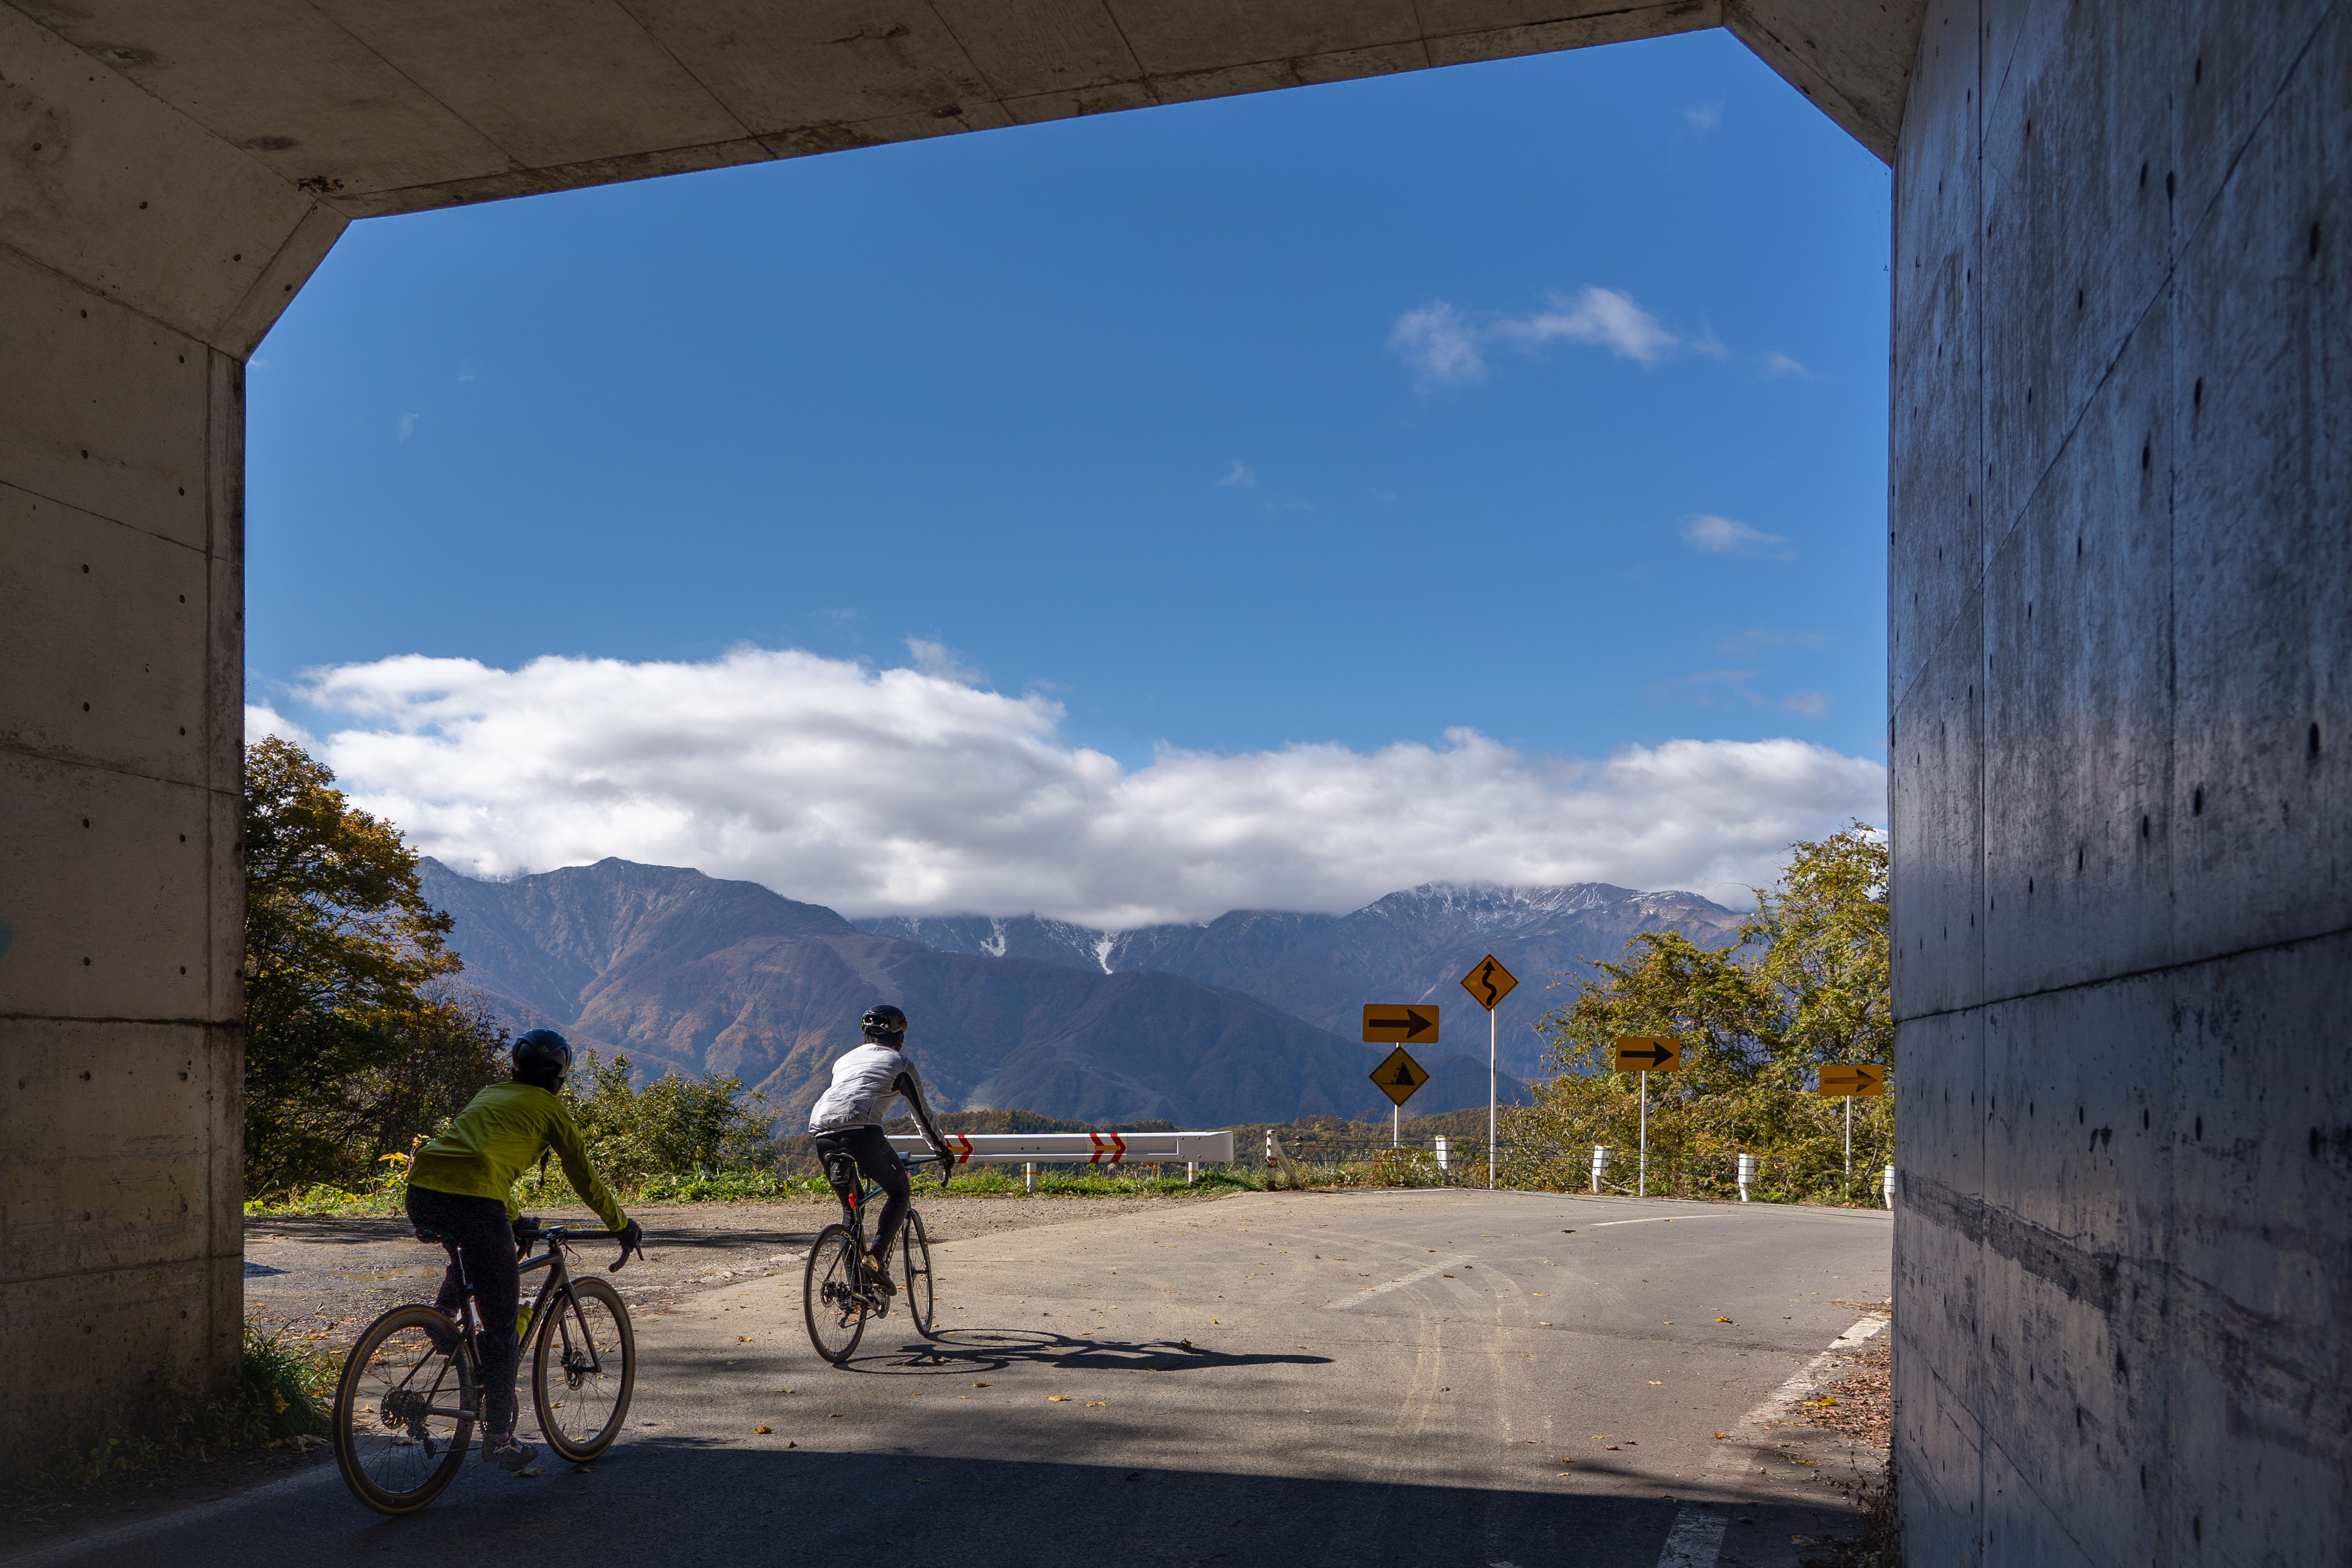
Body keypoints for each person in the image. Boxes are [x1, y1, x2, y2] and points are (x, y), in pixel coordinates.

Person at [404, 1028, 642, 1474]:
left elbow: (481, 1158)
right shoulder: (552, 1112)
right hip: (477, 1199)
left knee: (478, 1254)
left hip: (422, 1189)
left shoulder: (492, 1093)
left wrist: (512, 1219)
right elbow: (585, 1179)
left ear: (515, 1067)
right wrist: (621, 1224)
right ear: (560, 1077)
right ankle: (500, 1438)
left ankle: (443, 1321)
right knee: (500, 1326)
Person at [807, 1004, 955, 1295]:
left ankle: (855, 1290)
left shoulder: (843, 1061)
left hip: (821, 1131)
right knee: (899, 1191)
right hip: (862, 1132)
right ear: (899, 1035)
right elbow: (922, 1115)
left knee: (851, 1211)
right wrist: (942, 1149)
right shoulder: (900, 1063)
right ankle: (876, 1257)